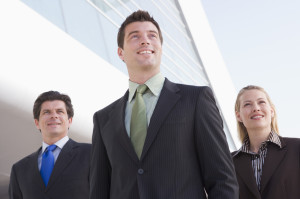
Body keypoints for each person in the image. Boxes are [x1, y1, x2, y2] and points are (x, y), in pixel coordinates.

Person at [90, 10, 238, 199]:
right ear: (120, 52)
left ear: (160, 47)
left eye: (152, 36)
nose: (145, 40)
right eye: (135, 36)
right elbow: (99, 191)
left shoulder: (196, 99)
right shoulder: (103, 119)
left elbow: (223, 180)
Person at [9, 91, 91, 199]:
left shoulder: (91, 154)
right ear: (37, 123)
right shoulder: (19, 169)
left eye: (60, 111)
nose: (54, 116)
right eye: (47, 112)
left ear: (70, 121)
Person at [232, 85, 300, 199]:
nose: (256, 108)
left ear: (271, 111)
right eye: (247, 104)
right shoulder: (229, 163)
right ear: (239, 116)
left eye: (261, 102)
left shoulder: (297, 148)